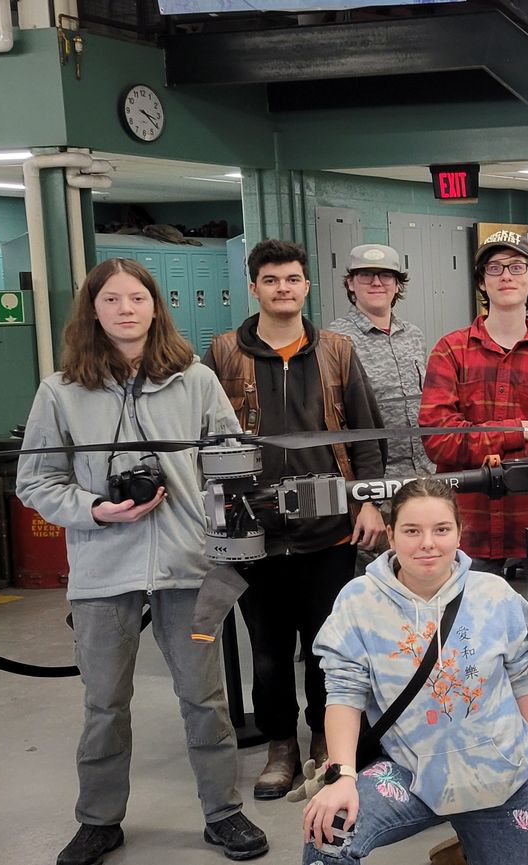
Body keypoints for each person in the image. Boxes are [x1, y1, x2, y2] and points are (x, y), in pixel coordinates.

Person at [16, 257, 268, 864]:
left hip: (189, 567)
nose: (125, 309)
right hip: (103, 572)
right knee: (104, 702)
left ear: (156, 307)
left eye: (137, 298)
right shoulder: (60, 391)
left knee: (204, 699)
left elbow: (232, 462)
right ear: (93, 311)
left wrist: (232, 498)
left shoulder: (196, 380)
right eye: (111, 300)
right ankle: (99, 820)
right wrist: (96, 508)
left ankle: (223, 813)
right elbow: (36, 480)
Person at [206, 238, 387, 801]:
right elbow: (204, 443)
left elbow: (366, 433)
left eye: (292, 279)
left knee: (324, 644)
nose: (283, 288)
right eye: (271, 280)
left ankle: (321, 742)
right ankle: (280, 745)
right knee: (265, 645)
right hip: (252, 532)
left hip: (328, 527)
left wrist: (370, 500)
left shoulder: (336, 350)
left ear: (306, 286)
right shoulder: (221, 355)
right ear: (254, 287)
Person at [301, 479, 528, 864]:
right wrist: (342, 776)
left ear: (459, 533)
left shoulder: (495, 596)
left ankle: (464, 851)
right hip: (411, 774)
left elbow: (522, 686)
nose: (427, 543)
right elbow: (343, 694)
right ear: (390, 534)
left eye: (441, 530)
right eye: (411, 531)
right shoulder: (358, 602)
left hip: (501, 777)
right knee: (327, 835)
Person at [419, 233, 528, 572]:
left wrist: (476, 445)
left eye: (516, 267)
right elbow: (439, 441)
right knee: (462, 626)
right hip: (465, 535)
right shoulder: (450, 352)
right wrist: (515, 433)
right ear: (481, 281)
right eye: (494, 268)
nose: (506, 275)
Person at [324, 243, 436, 481]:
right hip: (374, 479)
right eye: (365, 275)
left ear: (397, 285)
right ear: (350, 283)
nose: (376, 282)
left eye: (386, 275)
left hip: (425, 473)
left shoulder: (413, 334)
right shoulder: (335, 340)